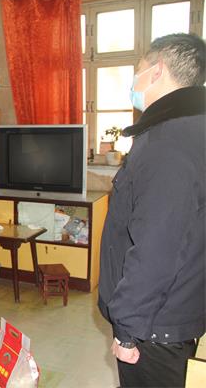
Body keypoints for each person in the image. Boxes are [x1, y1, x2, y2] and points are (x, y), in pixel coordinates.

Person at [98, 33, 205, 387]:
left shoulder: (167, 141)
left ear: (157, 70)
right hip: (181, 307)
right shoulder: (194, 129)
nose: (134, 80)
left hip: (155, 327)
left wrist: (127, 329)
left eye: (139, 69)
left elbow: (156, 248)